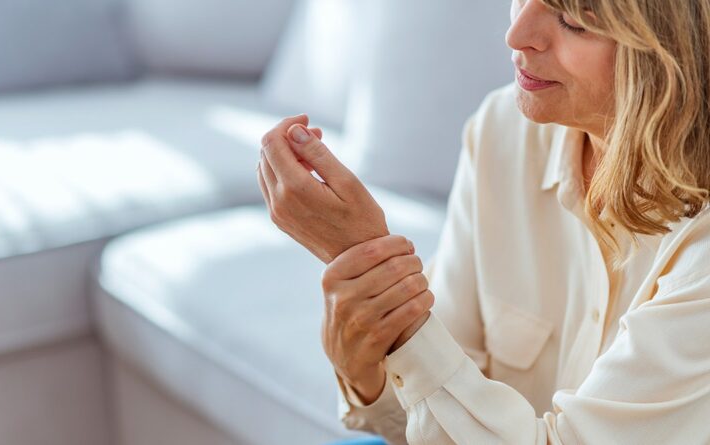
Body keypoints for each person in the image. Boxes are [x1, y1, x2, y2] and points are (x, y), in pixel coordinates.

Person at [256, 0, 710, 443]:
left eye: (573, 19)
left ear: (672, 48)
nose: (516, 35)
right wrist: (364, 362)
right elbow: (435, 404)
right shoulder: (503, 130)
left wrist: (369, 261)